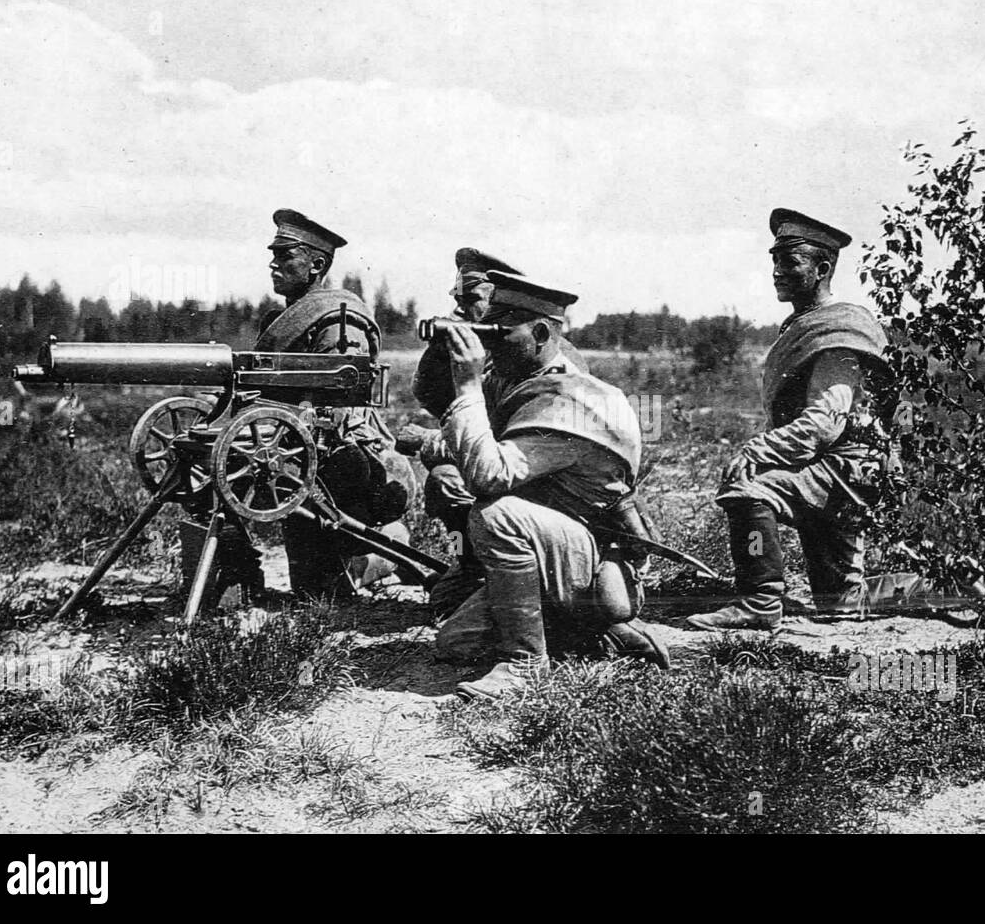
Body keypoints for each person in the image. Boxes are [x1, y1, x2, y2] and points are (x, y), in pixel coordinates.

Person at [405, 270, 669, 699]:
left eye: (500, 332)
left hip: (590, 554)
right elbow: (452, 415)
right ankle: (591, 633)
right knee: (457, 642)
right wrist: (446, 354)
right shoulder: (523, 379)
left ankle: (525, 663)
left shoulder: (577, 399)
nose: (491, 343)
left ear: (543, 332)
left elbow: (488, 473)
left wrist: (469, 384)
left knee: (497, 513)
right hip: (551, 547)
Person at [180, 209, 417, 601]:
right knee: (207, 463)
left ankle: (384, 550)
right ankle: (236, 574)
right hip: (294, 446)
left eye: (286, 254)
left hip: (343, 462)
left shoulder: (340, 321)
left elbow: (341, 407)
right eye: (274, 254)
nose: (274, 263)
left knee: (317, 593)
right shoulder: (287, 318)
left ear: (317, 264)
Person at [687, 208, 897, 631]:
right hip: (832, 468)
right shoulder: (806, 324)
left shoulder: (840, 330)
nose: (777, 272)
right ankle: (952, 582)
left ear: (822, 269)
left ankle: (760, 600)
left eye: (789, 261)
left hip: (843, 472)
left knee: (746, 488)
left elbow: (825, 423)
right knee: (841, 603)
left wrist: (757, 450)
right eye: (774, 261)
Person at [398, 249, 585, 619]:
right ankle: (472, 566)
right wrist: (441, 350)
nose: (461, 311)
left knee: (449, 480)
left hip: (547, 502)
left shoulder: (556, 366)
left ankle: (523, 588)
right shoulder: (504, 361)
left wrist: (428, 442)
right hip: (510, 483)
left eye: (472, 302)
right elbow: (441, 402)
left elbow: (495, 450)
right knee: (446, 483)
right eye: (458, 302)